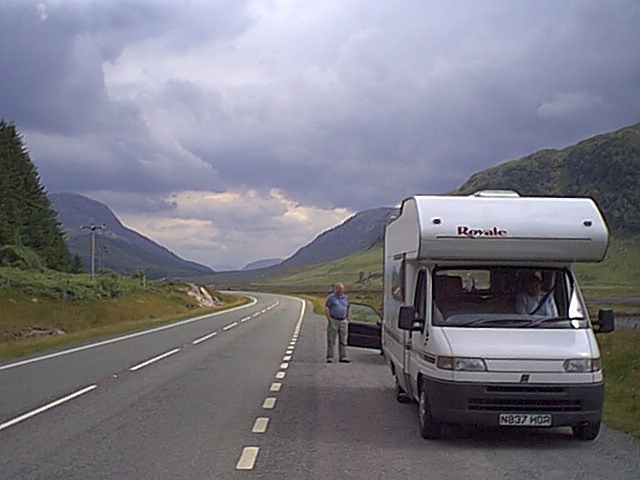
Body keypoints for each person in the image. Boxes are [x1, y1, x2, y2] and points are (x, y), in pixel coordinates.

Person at [325, 282, 351, 363]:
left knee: (343, 340)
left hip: (343, 321)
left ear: (344, 289)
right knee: (331, 339)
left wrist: (347, 319)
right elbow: (327, 308)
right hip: (334, 320)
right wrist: (329, 319)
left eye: (341, 289)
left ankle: (343, 357)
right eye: (338, 289)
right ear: (336, 289)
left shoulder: (346, 298)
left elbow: (348, 308)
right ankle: (330, 357)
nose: (340, 290)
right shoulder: (331, 298)